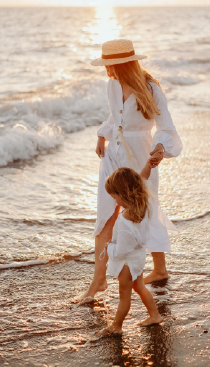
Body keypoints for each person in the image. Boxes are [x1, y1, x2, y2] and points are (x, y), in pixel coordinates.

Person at [78, 39, 183, 304]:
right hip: (113, 154)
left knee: (144, 211)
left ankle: (160, 270)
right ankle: (98, 280)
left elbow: (166, 126)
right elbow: (115, 118)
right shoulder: (112, 85)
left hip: (141, 154)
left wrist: (160, 147)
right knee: (106, 213)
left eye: (111, 66)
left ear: (124, 65)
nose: (108, 71)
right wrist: (101, 134)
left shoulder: (151, 88)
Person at [96, 166, 163, 336]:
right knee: (140, 287)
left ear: (124, 194)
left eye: (115, 197)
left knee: (124, 295)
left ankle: (117, 326)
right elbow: (139, 180)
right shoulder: (144, 205)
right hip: (138, 257)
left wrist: (108, 247)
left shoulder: (126, 221)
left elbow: (121, 251)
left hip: (127, 262)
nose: (115, 201)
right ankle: (154, 315)